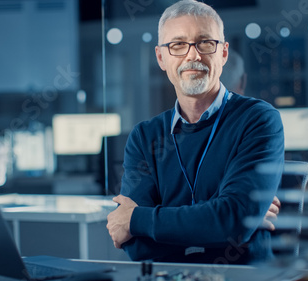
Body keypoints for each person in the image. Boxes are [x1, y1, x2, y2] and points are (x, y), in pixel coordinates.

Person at [107, 0, 284, 265]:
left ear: (223, 54)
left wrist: (136, 219)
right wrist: (219, 219)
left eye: (205, 43)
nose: (193, 56)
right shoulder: (145, 137)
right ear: (161, 58)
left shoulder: (258, 120)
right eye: (178, 44)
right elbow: (137, 247)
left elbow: (233, 220)